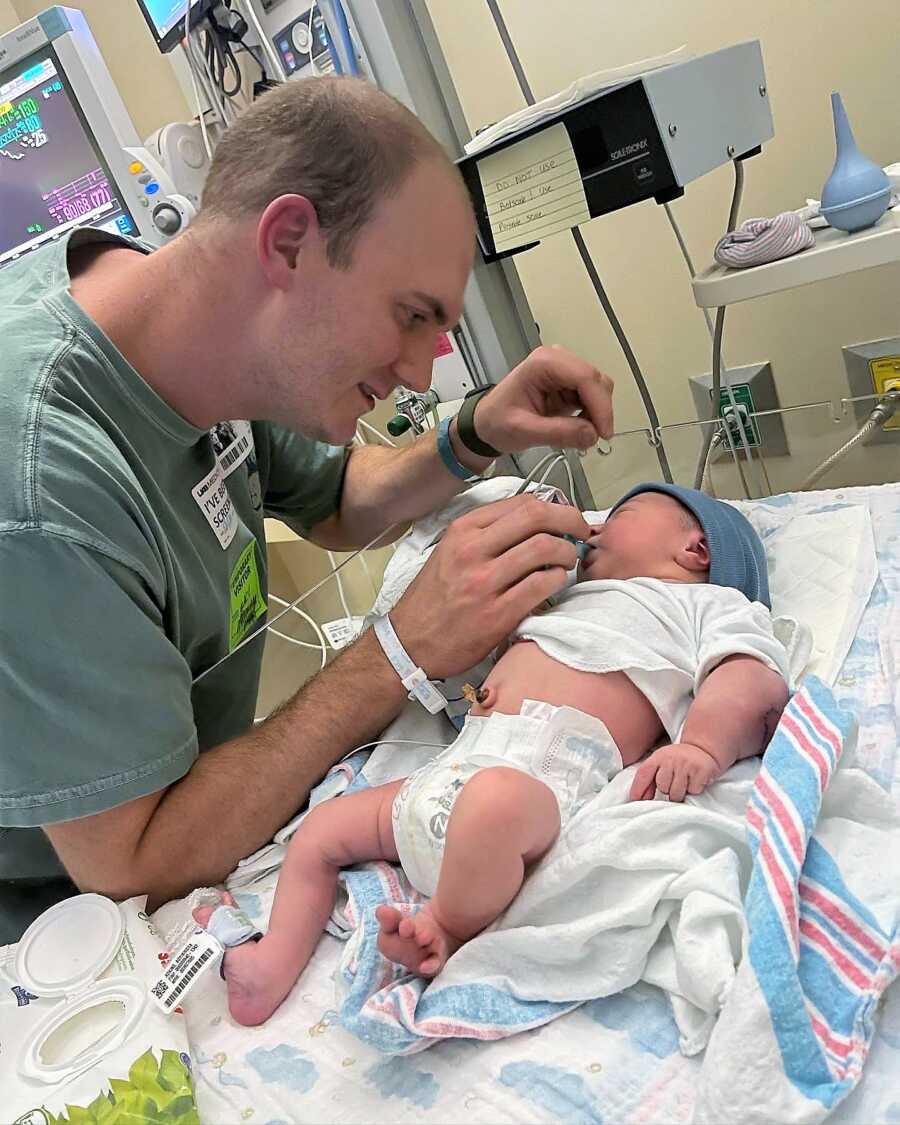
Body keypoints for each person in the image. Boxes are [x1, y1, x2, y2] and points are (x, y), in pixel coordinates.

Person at [0, 76, 616, 941]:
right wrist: (399, 650)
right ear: (287, 240)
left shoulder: (187, 321)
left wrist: (474, 431)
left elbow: (333, 499)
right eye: (410, 316)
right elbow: (130, 864)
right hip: (65, 937)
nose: (417, 370)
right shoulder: (41, 491)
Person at [194, 483, 790, 1027]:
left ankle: (445, 928)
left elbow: (749, 681)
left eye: (621, 513)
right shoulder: (567, 602)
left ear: (696, 550)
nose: (598, 524)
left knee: (493, 805)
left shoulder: (703, 608)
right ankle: (273, 961)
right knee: (321, 831)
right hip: (443, 780)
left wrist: (701, 747)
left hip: (535, 792)